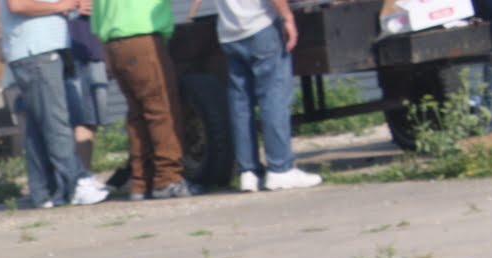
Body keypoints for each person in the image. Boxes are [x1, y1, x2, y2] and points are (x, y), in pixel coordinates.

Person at [3, 0, 112, 208]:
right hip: (36, 54)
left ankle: (45, 191)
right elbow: (18, 5)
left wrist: (72, 7)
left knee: (39, 126)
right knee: (57, 123)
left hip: (48, 52)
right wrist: (60, 7)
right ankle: (76, 183)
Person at [93, 0, 196, 198]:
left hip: (114, 43)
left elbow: (97, 17)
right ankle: (167, 179)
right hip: (142, 39)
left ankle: (141, 182)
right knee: (161, 110)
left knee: (137, 114)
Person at [216, 0, 322, 191]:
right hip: (260, 25)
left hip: (229, 31)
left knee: (241, 104)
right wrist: (287, 17)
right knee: (274, 97)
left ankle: (248, 172)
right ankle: (280, 169)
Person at [65, 6, 112, 172]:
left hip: (96, 50)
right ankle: (79, 175)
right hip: (70, 54)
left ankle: (84, 173)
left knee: (93, 120)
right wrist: (72, 9)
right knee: (79, 119)